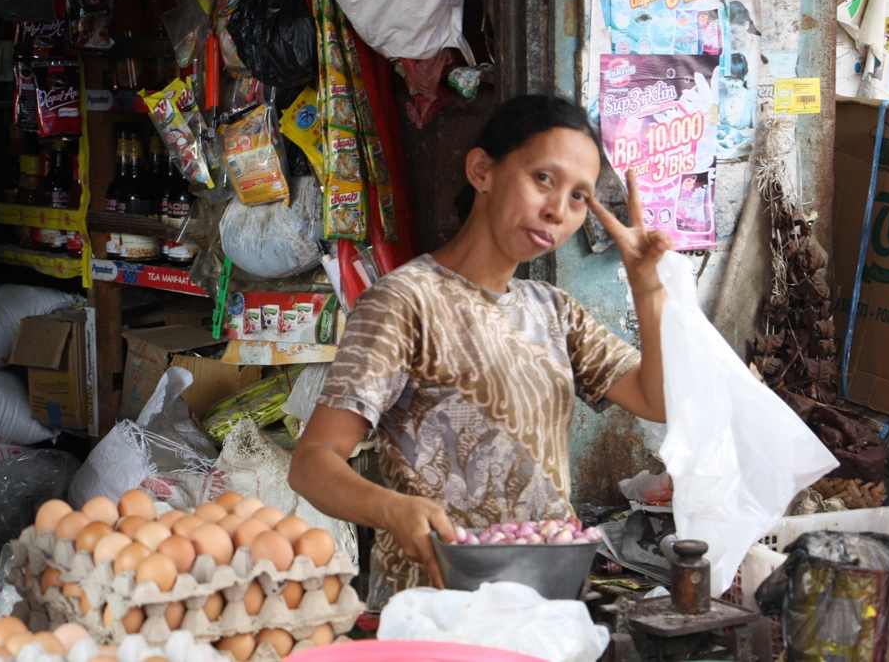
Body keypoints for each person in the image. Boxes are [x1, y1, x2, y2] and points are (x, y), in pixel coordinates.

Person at [288, 95, 672, 610]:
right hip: (436, 605)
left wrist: (648, 289)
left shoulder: (553, 311)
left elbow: (658, 400)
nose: (558, 210)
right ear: (482, 170)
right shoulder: (405, 302)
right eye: (543, 178)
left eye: (580, 197)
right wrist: (392, 509)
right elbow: (313, 462)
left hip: (545, 601)